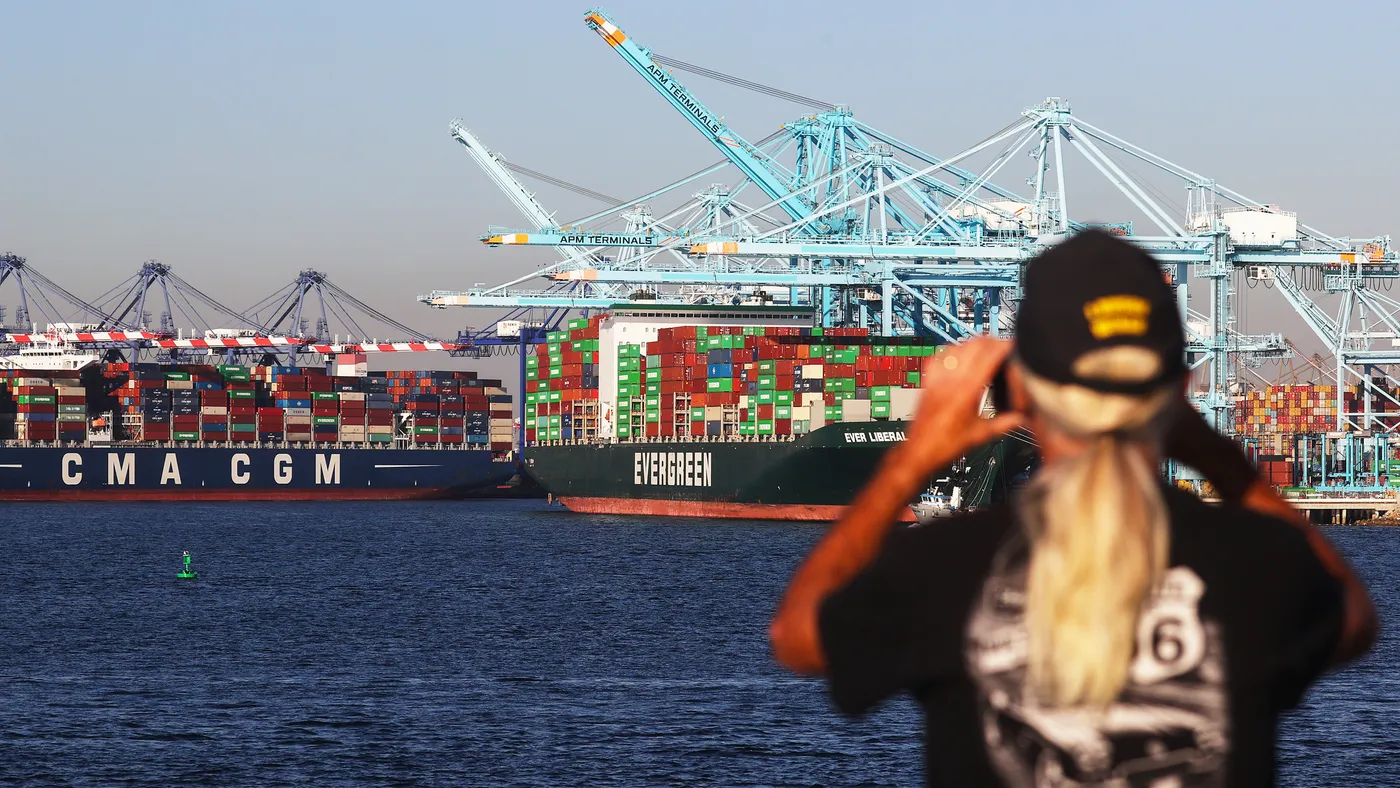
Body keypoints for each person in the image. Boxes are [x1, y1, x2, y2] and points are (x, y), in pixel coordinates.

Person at [770, 230, 1377, 787]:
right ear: (1180, 390)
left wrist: (910, 458)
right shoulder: (1259, 562)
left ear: (1021, 388)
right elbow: (1353, 620)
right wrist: (1216, 453)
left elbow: (798, 638)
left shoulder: (940, 564)